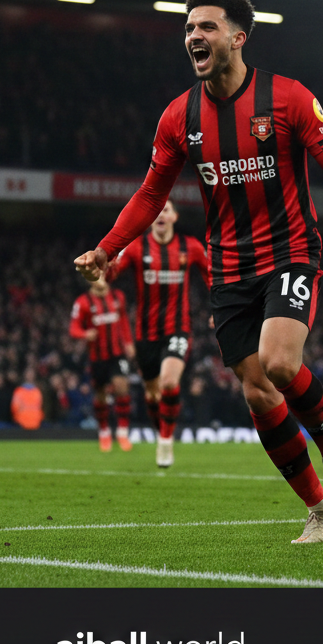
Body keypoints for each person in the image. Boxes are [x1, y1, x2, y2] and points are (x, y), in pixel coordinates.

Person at [75, 0, 323, 544]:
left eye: (207, 27)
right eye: (190, 28)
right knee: (255, 390)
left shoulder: (289, 98)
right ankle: (319, 511)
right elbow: (151, 194)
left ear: (238, 37)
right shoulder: (178, 116)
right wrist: (109, 247)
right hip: (228, 266)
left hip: (291, 249)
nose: (194, 35)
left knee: (279, 363)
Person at [106, 199, 208, 467]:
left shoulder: (191, 247)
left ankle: (165, 441)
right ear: (151, 218)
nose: (161, 214)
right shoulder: (137, 247)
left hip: (178, 328)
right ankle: (162, 431)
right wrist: (98, 269)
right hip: (145, 334)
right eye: (157, 210)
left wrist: (220, 309)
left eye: (167, 210)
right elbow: (111, 274)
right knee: (152, 395)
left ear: (174, 217)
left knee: (169, 383)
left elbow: (213, 278)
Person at [69, 278, 136, 451]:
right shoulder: (83, 302)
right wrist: (85, 333)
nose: (102, 278)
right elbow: (73, 328)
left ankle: (122, 433)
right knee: (100, 395)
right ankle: (104, 432)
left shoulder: (118, 296)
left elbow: (123, 321)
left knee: (122, 386)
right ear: (90, 281)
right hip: (97, 356)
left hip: (117, 353)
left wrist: (128, 342)